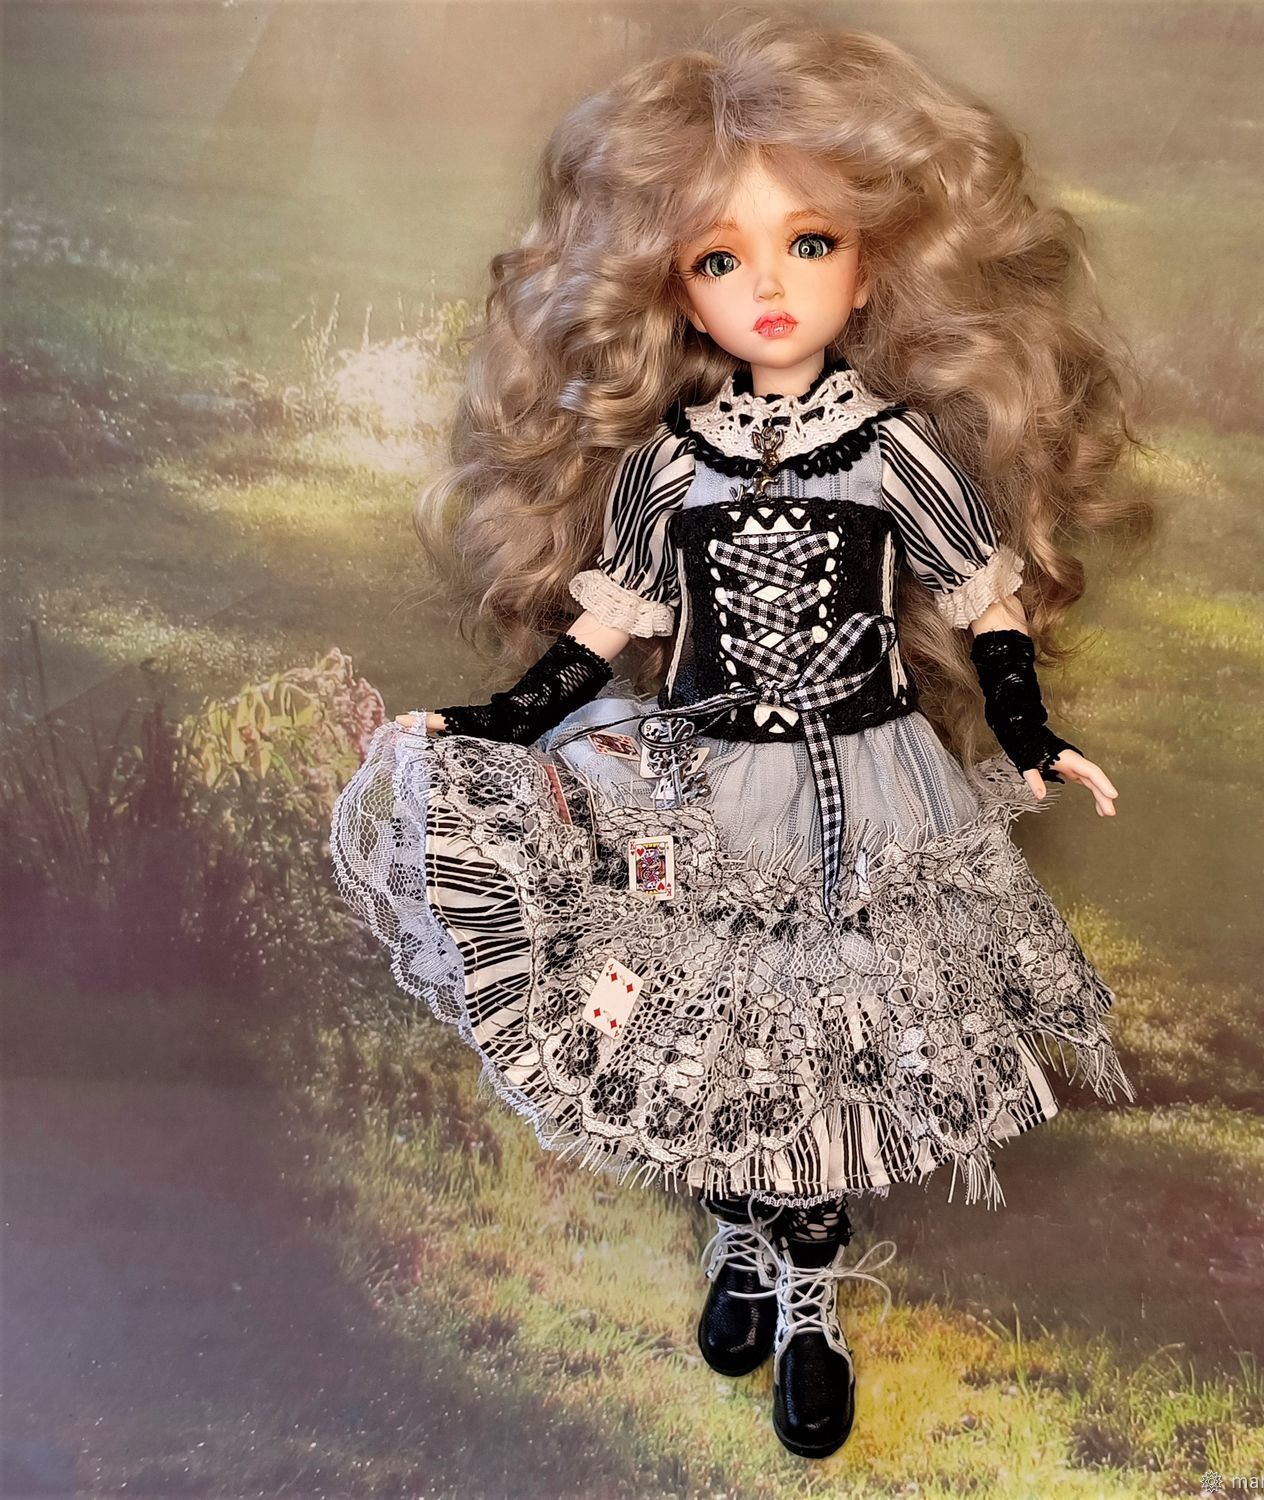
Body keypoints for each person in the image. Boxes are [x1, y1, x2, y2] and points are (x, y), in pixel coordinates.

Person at [330, 14, 1152, 1461]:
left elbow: (984, 605)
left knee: (827, 1039)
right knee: (707, 1035)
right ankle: (740, 1236)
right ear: (673, 287)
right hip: (705, 788)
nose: (768, 286)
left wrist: (1027, 736)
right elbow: (602, 632)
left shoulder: (895, 450)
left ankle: (807, 1296)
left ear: (872, 267)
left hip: (871, 786)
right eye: (721, 259)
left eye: (808, 244)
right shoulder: (671, 466)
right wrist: (488, 724)